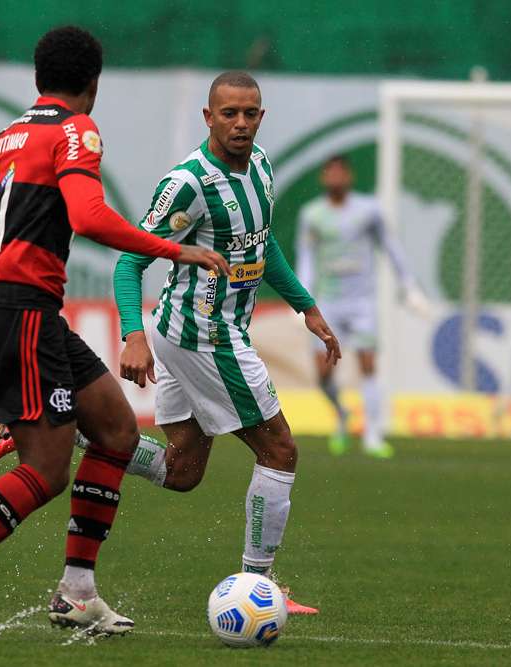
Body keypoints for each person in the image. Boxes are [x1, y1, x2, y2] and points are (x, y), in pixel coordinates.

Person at [0, 26, 227, 642]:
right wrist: (176, 250)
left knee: (117, 431)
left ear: (38, 78)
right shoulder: (76, 130)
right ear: (93, 83)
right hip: (23, 308)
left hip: (21, 309)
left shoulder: (2, 140)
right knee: (45, 471)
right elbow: (88, 217)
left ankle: (77, 592)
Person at [110, 71, 339, 615]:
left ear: (262, 116)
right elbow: (130, 261)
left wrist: (306, 305)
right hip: (204, 335)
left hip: (192, 331)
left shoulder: (261, 167)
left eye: (250, 113)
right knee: (280, 450)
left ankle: (68, 427)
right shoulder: (189, 184)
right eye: (229, 113)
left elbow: (262, 243)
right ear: (208, 117)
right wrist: (132, 334)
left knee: (182, 471)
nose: (240, 123)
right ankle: (259, 586)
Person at [295, 155, 429, 458]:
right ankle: (342, 415)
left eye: (340, 172)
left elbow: (391, 247)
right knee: (323, 373)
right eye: (330, 172)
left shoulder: (369, 211)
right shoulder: (312, 215)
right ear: (323, 178)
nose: (335, 177)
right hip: (328, 302)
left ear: (349, 176)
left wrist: (408, 286)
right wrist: (302, 299)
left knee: (368, 362)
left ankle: (373, 435)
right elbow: (306, 257)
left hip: (362, 302)